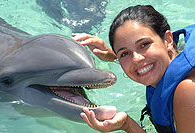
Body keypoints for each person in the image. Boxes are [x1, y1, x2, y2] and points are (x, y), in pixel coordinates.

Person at [72, 5, 195, 133]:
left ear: (168, 40)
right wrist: (114, 57)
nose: (136, 59)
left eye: (144, 44)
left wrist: (127, 125)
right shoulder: (177, 57)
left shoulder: (187, 90)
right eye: (125, 53)